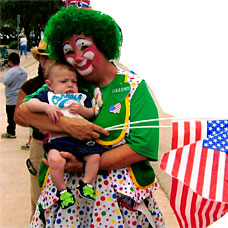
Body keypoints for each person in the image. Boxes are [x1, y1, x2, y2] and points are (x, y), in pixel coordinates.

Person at [18, 6, 166, 227]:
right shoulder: (66, 83)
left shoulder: (133, 86)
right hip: (66, 205)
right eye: (68, 51)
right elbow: (22, 112)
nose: (76, 57)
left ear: (103, 43)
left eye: (84, 46)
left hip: (118, 205)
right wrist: (69, 125)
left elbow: (143, 146)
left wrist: (82, 165)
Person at [26, 60, 103, 208]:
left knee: (94, 157)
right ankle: (62, 191)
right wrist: (46, 108)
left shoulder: (81, 97)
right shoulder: (48, 96)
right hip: (58, 142)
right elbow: (29, 104)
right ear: (50, 85)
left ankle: (86, 184)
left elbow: (92, 113)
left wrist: (83, 110)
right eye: (64, 81)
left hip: (80, 141)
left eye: (73, 81)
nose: (70, 85)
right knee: (55, 161)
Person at [14, 39, 49, 220]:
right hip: (40, 146)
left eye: (50, 57)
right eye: (43, 57)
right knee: (38, 197)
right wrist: (40, 124)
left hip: (68, 147)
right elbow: (18, 116)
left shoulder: (71, 82)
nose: (46, 61)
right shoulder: (31, 86)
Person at [1, 52, 27, 139]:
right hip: (20, 95)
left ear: (10, 62)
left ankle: (11, 131)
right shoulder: (24, 71)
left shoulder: (11, 71)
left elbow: (5, 81)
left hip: (11, 96)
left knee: (10, 115)